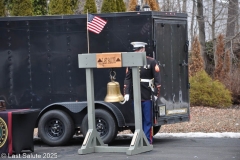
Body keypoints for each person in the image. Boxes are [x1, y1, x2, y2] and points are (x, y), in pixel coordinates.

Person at [123, 42, 161, 144]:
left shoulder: (151, 61)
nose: (136, 52)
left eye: (138, 50)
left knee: (147, 120)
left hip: (147, 94)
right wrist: (126, 93)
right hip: (135, 94)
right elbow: (128, 79)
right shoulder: (131, 62)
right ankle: (139, 139)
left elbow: (157, 80)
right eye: (135, 50)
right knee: (138, 119)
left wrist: (156, 94)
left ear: (143, 49)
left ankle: (147, 140)